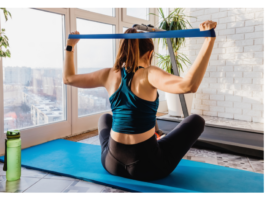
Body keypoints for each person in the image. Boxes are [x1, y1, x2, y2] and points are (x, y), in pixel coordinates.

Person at [63, 20, 217, 181]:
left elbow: (68, 79)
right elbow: (189, 85)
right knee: (196, 121)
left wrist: (70, 46)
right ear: (150, 53)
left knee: (105, 118)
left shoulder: (108, 74)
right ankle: (156, 140)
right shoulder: (149, 73)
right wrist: (208, 40)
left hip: (111, 163)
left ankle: (151, 139)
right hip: (146, 167)